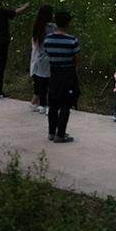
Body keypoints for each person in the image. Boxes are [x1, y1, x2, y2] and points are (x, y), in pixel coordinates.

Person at [41, 11, 81, 143]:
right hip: (67, 73)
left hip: (54, 73)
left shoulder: (48, 39)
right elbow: (77, 59)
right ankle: (61, 133)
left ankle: (51, 132)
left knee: (53, 103)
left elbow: (47, 52)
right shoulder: (72, 40)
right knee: (65, 104)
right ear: (68, 23)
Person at [27, 5, 55, 114]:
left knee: (41, 82)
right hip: (49, 57)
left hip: (39, 58)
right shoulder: (51, 27)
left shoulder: (37, 27)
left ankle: (40, 103)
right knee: (48, 82)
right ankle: (45, 104)